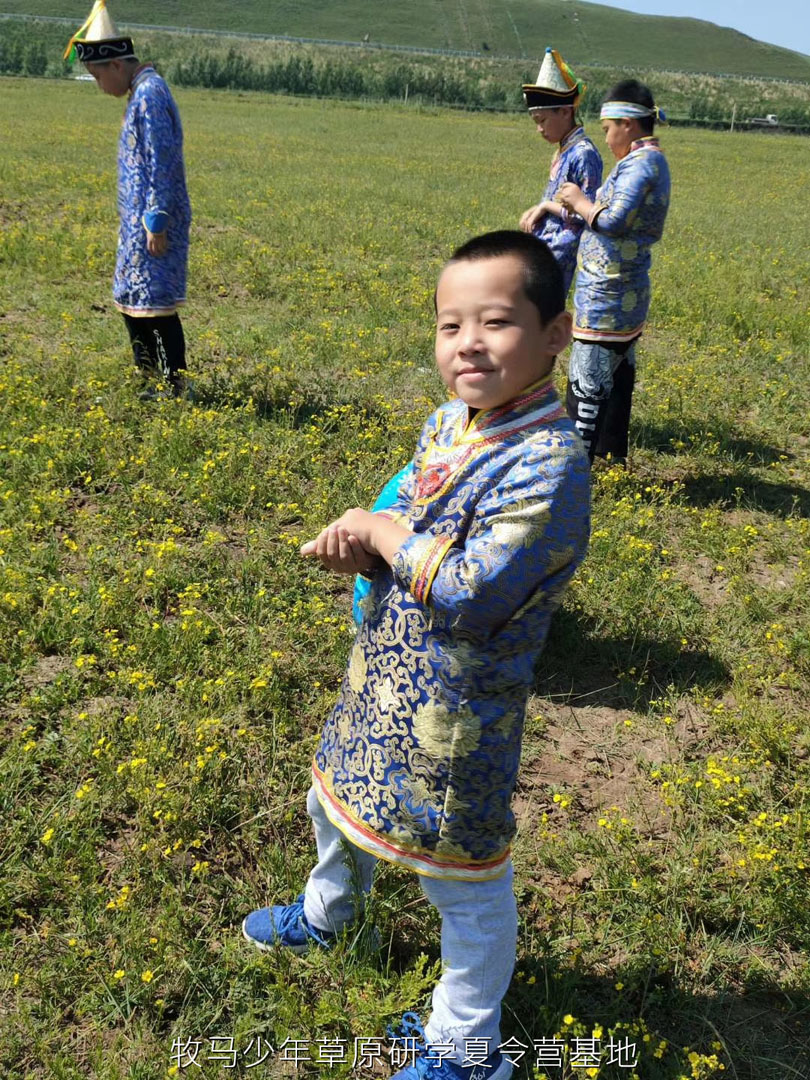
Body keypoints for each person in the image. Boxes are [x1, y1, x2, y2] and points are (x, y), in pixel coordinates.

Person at [242, 232, 591, 1080]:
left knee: (463, 878)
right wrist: (360, 544)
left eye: (497, 321)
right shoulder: (449, 422)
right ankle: (330, 912)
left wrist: (388, 534)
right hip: (386, 675)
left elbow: (475, 591)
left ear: (556, 335)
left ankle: (469, 1048)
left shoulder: (551, 463)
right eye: (449, 325)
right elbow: (401, 509)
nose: (468, 342)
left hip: (457, 711)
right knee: (337, 798)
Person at [64, 1, 192, 399]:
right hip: (138, 221)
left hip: (155, 221)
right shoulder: (140, 93)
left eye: (97, 76)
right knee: (130, 299)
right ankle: (149, 377)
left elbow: (162, 161)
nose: (99, 86)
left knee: (156, 304)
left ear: (116, 65)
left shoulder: (151, 95)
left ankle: (174, 385)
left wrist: (157, 221)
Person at [557, 79, 671, 464]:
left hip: (608, 297)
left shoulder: (644, 163)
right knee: (617, 378)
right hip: (619, 294)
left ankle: (577, 468)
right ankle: (610, 457)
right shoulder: (640, 162)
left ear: (627, 123)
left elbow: (614, 221)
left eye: (607, 129)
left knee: (587, 384)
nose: (606, 138)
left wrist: (579, 201)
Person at [518, 48, 602, 296]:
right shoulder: (565, 150)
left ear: (565, 112)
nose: (539, 129)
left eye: (542, 121)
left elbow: (588, 214)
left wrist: (545, 207)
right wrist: (539, 208)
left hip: (560, 256)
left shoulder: (583, 154)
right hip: (544, 248)